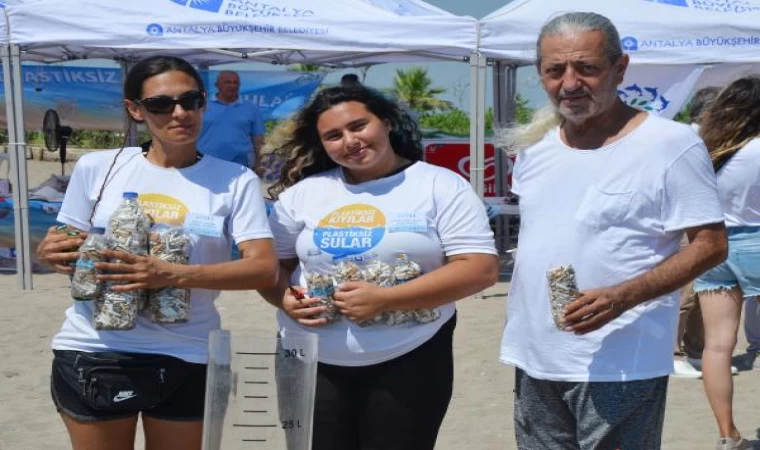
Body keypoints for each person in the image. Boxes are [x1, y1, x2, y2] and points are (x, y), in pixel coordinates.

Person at [498, 12, 727, 450]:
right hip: (535, 355)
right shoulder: (534, 147)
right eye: (554, 71)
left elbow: (710, 245)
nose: (569, 83)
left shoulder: (670, 145)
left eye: (586, 67)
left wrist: (623, 296)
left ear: (619, 68)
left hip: (622, 359)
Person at [35, 56, 278, 450]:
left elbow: (263, 269)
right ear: (136, 110)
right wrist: (52, 253)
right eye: (161, 104)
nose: (179, 113)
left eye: (190, 100)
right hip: (97, 348)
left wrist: (171, 274)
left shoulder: (235, 179)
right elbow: (67, 242)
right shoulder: (99, 167)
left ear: (204, 103)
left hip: (189, 350)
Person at [260, 85, 499, 450]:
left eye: (359, 126)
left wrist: (388, 299)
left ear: (386, 122)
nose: (350, 141)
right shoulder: (304, 194)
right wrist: (284, 298)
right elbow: (270, 266)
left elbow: (479, 268)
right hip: (311, 361)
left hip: (410, 356)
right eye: (334, 136)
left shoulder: (439, 185)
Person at [694, 76, 760, 450]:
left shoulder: (706, 150)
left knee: (717, 347)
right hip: (756, 241)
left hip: (713, 245)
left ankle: (727, 435)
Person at [673, 85, 722, 378]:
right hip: (685, 222)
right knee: (685, 295)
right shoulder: (686, 139)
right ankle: (674, 353)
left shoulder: (713, 140)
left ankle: (695, 351)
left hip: (708, 221)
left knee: (705, 293)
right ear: (707, 113)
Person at [197, 70, 266, 169]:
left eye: (235, 83)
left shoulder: (251, 108)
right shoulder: (202, 107)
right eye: (228, 82)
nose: (232, 86)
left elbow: (258, 140)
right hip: (206, 164)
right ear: (217, 85)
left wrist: (260, 163)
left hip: (240, 165)